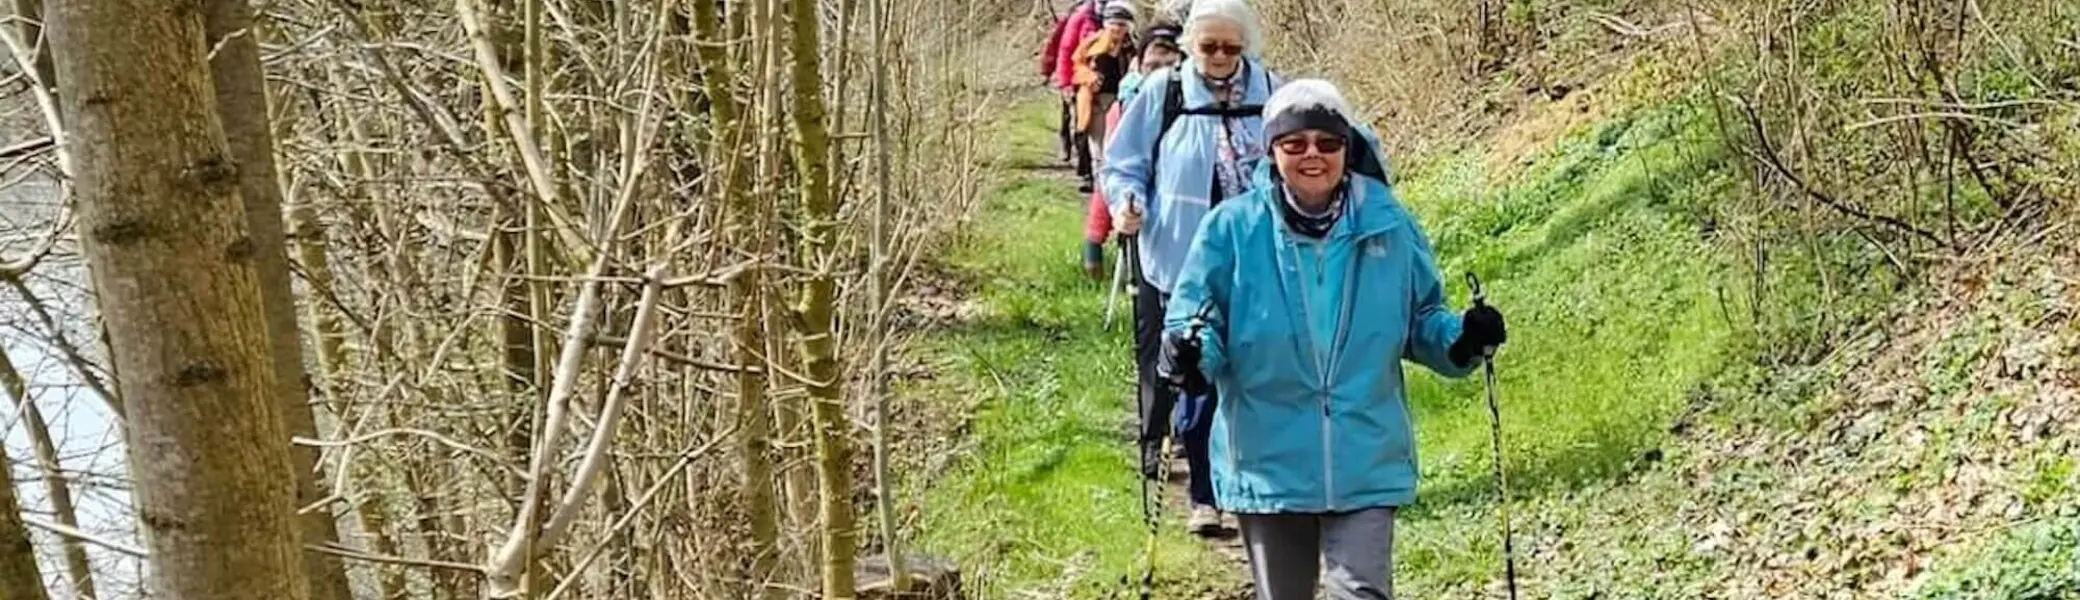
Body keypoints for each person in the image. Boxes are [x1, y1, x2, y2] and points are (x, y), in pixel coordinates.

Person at [1157, 79, 1510, 599]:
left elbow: (1423, 320)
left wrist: (1464, 339)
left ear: (1348, 148)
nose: (1312, 155)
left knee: (1362, 592)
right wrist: (1188, 356)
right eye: (1294, 144)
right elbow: (1197, 322)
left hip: (1364, 450)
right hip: (1267, 458)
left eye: (1327, 143)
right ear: (1272, 150)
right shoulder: (1230, 229)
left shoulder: (1389, 225)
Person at [1101, 0, 1281, 537]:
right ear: (1189, 47)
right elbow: (1123, 163)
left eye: (1232, 47)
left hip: (1262, 264)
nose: (1221, 57)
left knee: (1258, 378)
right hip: (1181, 264)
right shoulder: (1165, 92)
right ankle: (1205, 496)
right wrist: (1126, 202)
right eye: (1209, 47)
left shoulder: (1273, 92)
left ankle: (1261, 486)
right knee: (1195, 377)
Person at [1082, 22, 1183, 280]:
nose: (1161, 75)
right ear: (1138, 65)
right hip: (1139, 221)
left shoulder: (1200, 110)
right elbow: (1113, 173)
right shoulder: (1124, 109)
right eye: (1153, 66)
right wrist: (1094, 239)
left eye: (1170, 65)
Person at [1072, 1, 1139, 180]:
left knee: (1116, 147)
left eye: (1122, 24)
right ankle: (1100, 190)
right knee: (1098, 149)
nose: (1116, 28)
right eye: (1113, 23)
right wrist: (1088, 77)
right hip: (1095, 102)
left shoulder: (1135, 49)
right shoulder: (1092, 44)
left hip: (1123, 102)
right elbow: (1077, 65)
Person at [1042, 0, 1101, 167]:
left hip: (1096, 78)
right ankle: (1069, 145)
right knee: (1073, 114)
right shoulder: (1077, 15)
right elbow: (1060, 46)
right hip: (1075, 76)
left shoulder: (1115, 15)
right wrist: (1052, 72)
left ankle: (1086, 161)